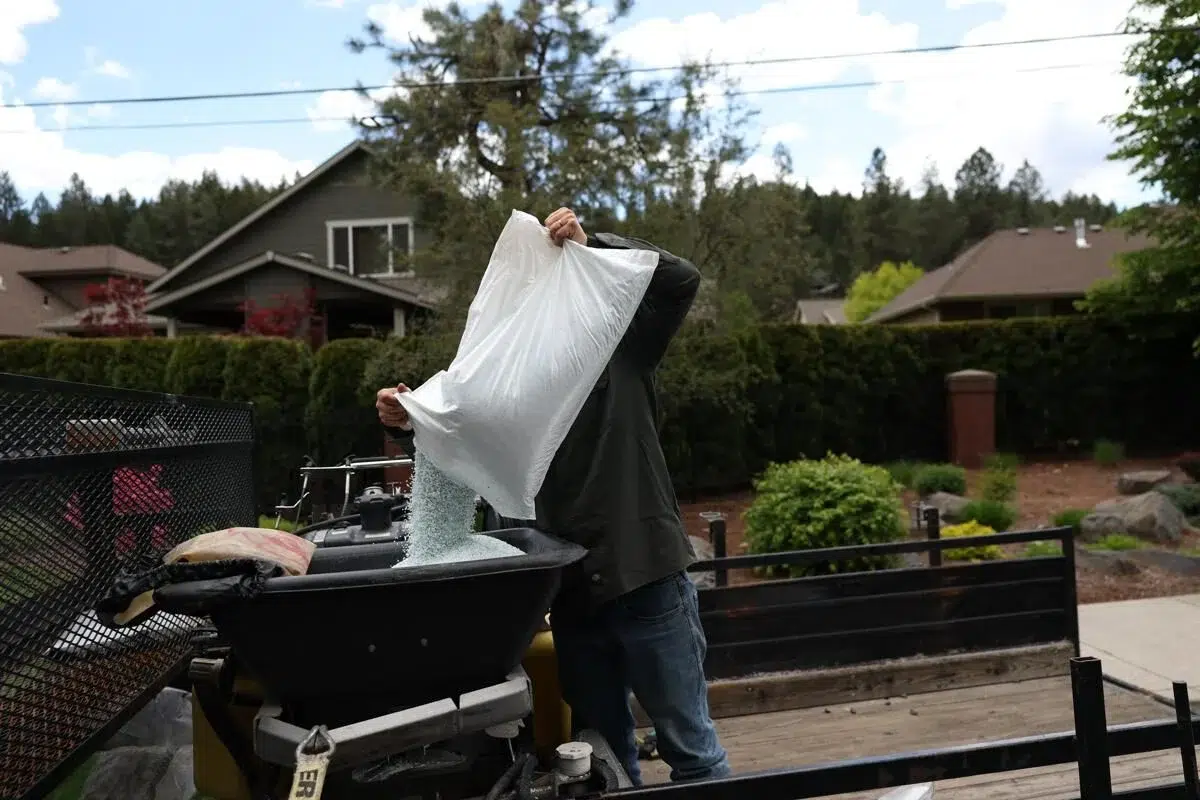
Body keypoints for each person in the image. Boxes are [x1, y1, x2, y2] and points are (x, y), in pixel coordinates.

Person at [375, 207, 730, 785]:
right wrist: (405, 418)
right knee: (599, 757)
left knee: (693, 749)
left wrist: (597, 248)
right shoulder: (506, 384)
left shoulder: (622, 344)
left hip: (646, 577)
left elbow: (681, 278)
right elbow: (457, 427)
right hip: (571, 599)